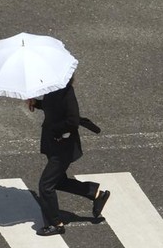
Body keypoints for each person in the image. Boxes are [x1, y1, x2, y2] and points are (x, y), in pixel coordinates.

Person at [26, 76, 110, 236]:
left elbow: (72, 121)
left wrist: (57, 131)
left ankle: (56, 224)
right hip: (53, 143)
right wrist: (37, 103)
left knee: (45, 185)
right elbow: (53, 109)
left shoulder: (67, 93)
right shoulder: (52, 89)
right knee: (58, 181)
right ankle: (95, 194)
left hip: (63, 146)